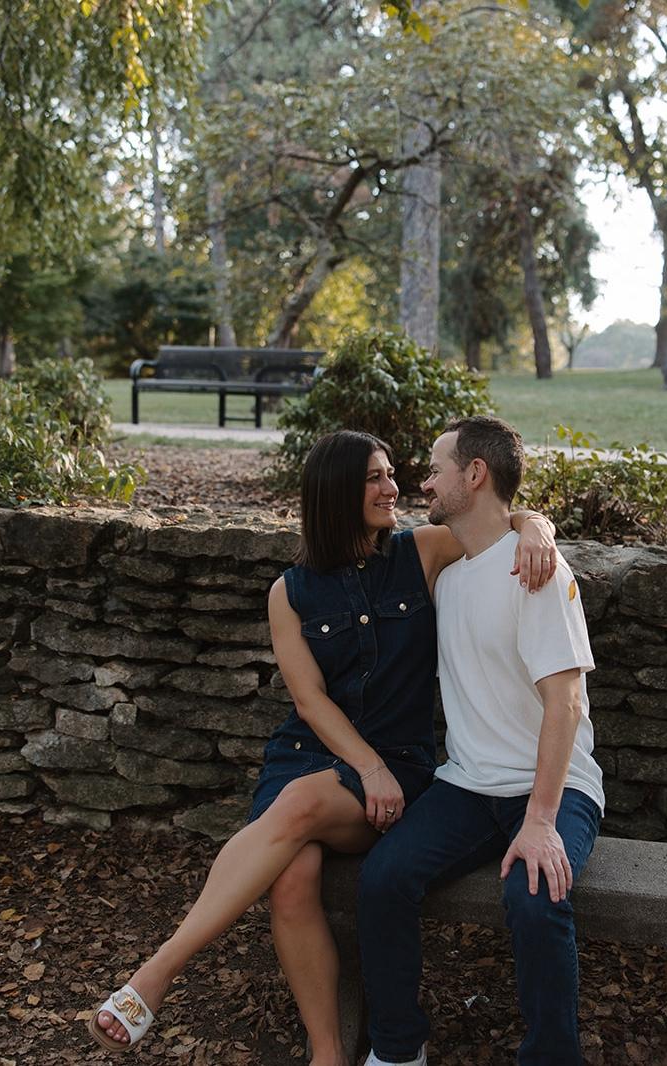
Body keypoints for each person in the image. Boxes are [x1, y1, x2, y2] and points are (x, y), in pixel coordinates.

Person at [87, 429, 558, 1062]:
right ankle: (328, 1053)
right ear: (336, 491)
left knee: (302, 807)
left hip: (397, 765)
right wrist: (364, 766)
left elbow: (496, 518)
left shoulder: (421, 551)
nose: (392, 488)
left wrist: (537, 527)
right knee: (293, 877)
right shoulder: (290, 592)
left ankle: (158, 972)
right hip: (308, 755)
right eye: (374, 478)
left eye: (391, 474)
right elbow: (308, 701)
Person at [358, 416, 604, 1066]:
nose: (423, 483)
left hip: (555, 788)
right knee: (381, 880)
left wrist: (541, 821)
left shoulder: (537, 571)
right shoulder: (446, 575)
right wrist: (532, 519)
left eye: (435, 469)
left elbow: (566, 701)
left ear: (474, 474)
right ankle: (397, 1050)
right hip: (467, 784)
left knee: (535, 897)